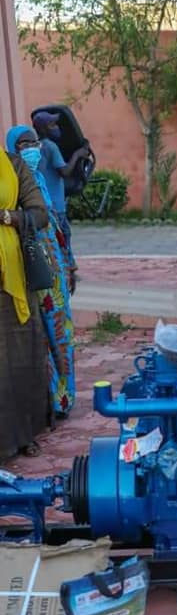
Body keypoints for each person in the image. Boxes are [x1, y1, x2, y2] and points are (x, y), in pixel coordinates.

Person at [6, 125, 76, 417]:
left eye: (34, 142)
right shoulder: (13, 184)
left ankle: (65, 397)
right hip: (34, 271)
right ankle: (49, 399)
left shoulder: (41, 183)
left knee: (63, 335)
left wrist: (71, 264)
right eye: (24, 144)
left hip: (56, 272)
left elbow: (58, 227)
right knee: (43, 337)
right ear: (13, 149)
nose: (32, 148)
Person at [0, 143, 50, 460]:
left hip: (11, 282)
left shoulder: (13, 165)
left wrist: (8, 216)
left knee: (18, 362)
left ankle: (22, 436)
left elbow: (39, 213)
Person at [32, 110, 89, 254]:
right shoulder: (51, 147)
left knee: (51, 240)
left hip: (44, 203)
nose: (56, 127)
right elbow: (64, 172)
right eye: (52, 125)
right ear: (43, 129)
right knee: (64, 238)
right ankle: (68, 270)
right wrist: (77, 155)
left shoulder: (36, 147)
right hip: (57, 206)